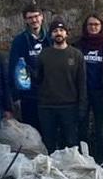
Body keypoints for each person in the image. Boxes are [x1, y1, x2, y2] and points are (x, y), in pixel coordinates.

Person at [33, 18, 87, 152]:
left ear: (66, 34)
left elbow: (82, 83)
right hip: (47, 106)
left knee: (71, 144)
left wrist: (82, 106)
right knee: (48, 144)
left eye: (61, 30)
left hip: (69, 106)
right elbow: (38, 80)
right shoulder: (44, 55)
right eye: (55, 31)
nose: (58, 33)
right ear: (51, 34)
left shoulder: (76, 55)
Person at [8, 4, 48, 130]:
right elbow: (13, 68)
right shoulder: (19, 41)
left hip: (50, 94)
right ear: (25, 20)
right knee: (32, 131)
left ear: (42, 17)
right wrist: (16, 96)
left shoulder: (50, 39)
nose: (34, 20)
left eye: (36, 16)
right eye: (30, 17)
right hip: (28, 95)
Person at [78, 14, 103, 159]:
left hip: (101, 92)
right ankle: (83, 159)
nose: (93, 27)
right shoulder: (77, 45)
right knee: (82, 128)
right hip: (82, 93)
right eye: (90, 24)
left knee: (100, 130)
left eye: (96, 24)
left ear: (101, 26)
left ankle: (100, 159)